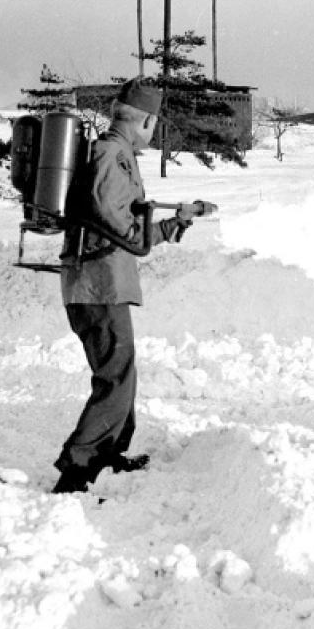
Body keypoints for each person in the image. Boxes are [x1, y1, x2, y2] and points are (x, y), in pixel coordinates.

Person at [51, 78, 194, 494]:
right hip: (99, 286)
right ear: (145, 120)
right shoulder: (113, 157)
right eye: (155, 124)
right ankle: (77, 469)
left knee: (121, 373)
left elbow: (125, 229)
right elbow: (129, 235)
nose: (155, 131)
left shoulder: (115, 154)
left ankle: (109, 454)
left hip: (103, 283)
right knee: (115, 377)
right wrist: (163, 226)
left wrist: (171, 223)